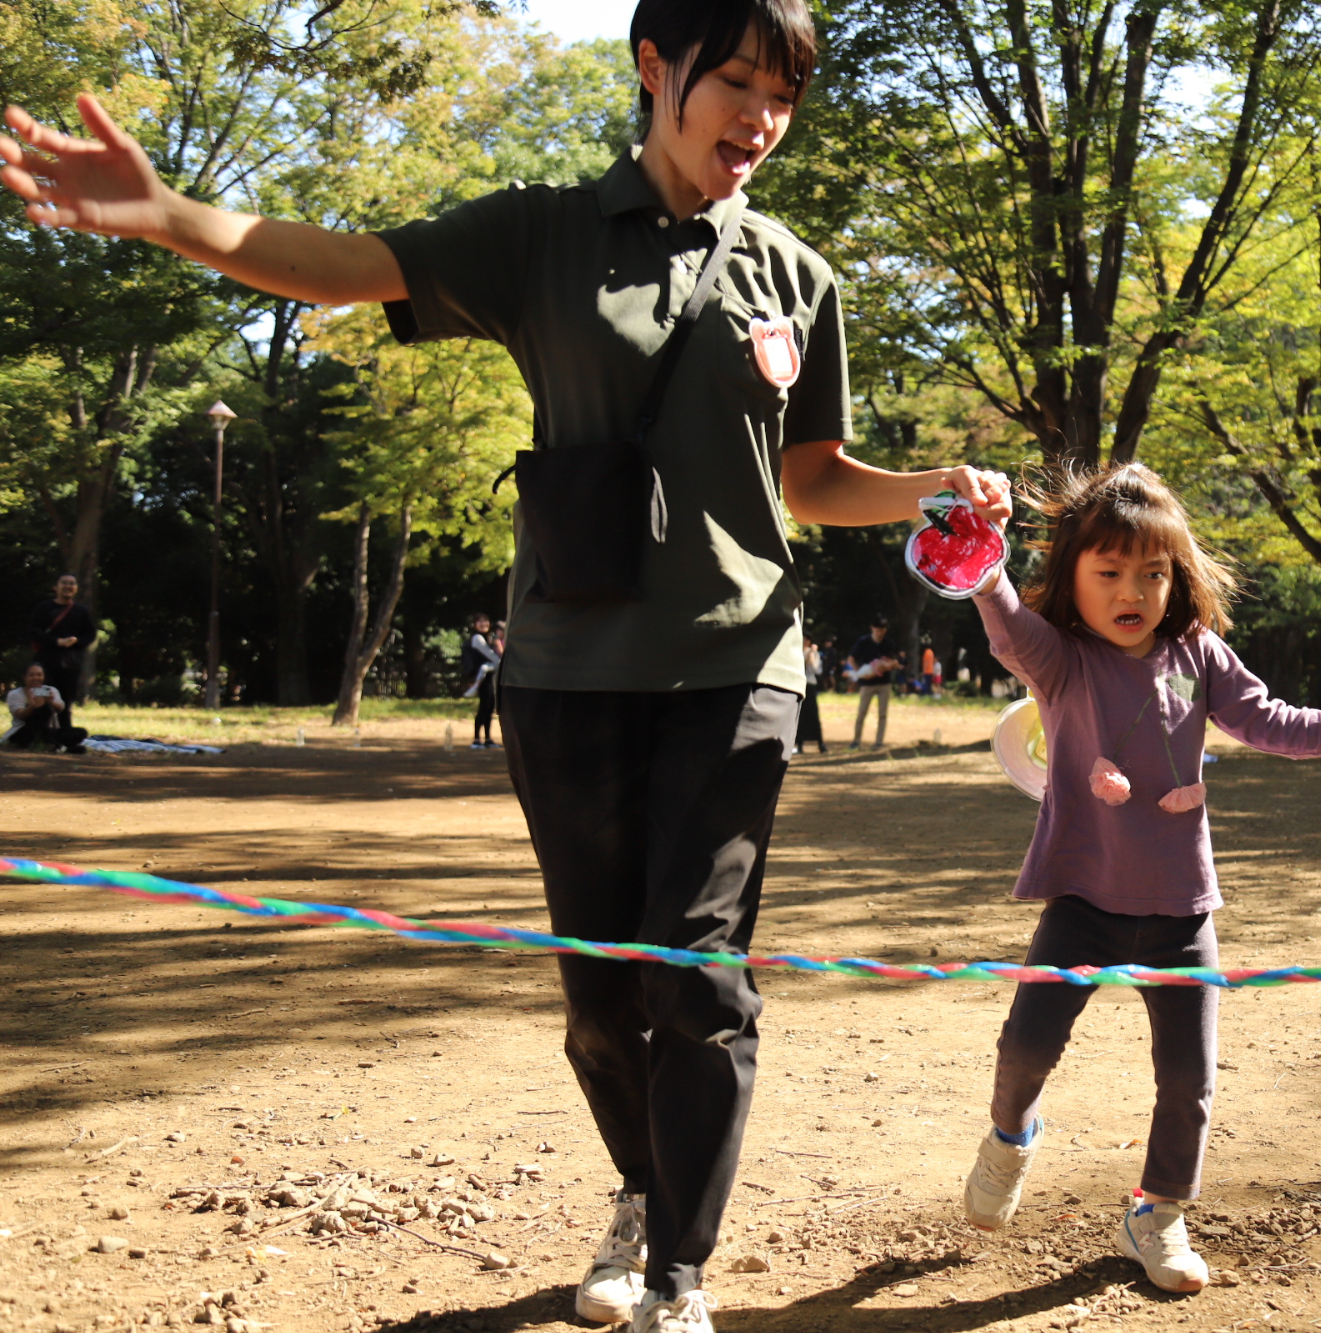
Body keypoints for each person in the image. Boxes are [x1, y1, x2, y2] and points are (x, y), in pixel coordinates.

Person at [0, 5, 1013, 1329]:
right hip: (566, 674)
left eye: (784, 95)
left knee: (696, 975)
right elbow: (342, 266)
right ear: (659, 70)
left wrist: (932, 484)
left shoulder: (798, 277)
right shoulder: (542, 232)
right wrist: (170, 214)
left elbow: (811, 479)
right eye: (738, 83)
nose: (760, 118)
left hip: (739, 667)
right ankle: (641, 1191)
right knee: (601, 997)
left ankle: (679, 1275)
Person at [958, 464, 1321, 1293]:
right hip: (1082, 902)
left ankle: (1160, 1210)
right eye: (1109, 572)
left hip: (1182, 911)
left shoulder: (1197, 653)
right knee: (1026, 1046)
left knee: (1188, 1078)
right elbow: (1006, 628)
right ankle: (1012, 1136)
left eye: (1152, 572)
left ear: (1176, 576)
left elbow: (1276, 723)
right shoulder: (1063, 660)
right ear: (1074, 575)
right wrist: (982, 556)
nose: (1133, 590)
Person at [29, 572, 96, 732]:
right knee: (41, 698)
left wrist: (76, 641)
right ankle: (39, 733)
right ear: (56, 587)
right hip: (45, 664)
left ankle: (64, 735)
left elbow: (90, 634)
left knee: (66, 701)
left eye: (72, 583)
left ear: (76, 589)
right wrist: (56, 641)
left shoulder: (81, 611)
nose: (68, 586)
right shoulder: (44, 608)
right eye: (64, 582)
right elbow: (33, 632)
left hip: (70, 664)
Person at [5, 663, 89, 753]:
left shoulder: (50, 690)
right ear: (24, 677)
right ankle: (62, 748)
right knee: (39, 726)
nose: (36, 678)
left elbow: (61, 708)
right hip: (25, 730)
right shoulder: (15, 694)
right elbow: (19, 715)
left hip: (49, 730)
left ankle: (54, 745)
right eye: (32, 675)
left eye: (39, 675)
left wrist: (51, 702)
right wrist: (31, 706)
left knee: (80, 732)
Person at [845, 614, 899, 747]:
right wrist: (859, 673)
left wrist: (887, 666)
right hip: (867, 684)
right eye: (877, 629)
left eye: (882, 630)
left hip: (884, 683)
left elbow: (896, 661)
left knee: (882, 714)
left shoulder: (889, 643)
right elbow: (851, 659)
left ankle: (879, 741)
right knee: (862, 712)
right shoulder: (863, 642)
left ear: (885, 630)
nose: (879, 632)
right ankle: (856, 740)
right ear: (872, 628)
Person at [461, 613, 503, 749]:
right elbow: (494, 658)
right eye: (479, 622)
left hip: (489, 678)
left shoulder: (488, 638)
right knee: (484, 708)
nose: (483, 624)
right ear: (474, 625)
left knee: (489, 707)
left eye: (486, 621)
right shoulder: (478, 639)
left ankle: (488, 739)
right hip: (483, 679)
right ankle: (477, 739)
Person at [795, 637, 825, 754]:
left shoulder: (814, 653)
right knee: (800, 715)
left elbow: (815, 670)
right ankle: (799, 744)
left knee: (813, 714)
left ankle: (820, 743)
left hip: (810, 685)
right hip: (798, 684)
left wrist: (811, 654)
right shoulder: (795, 651)